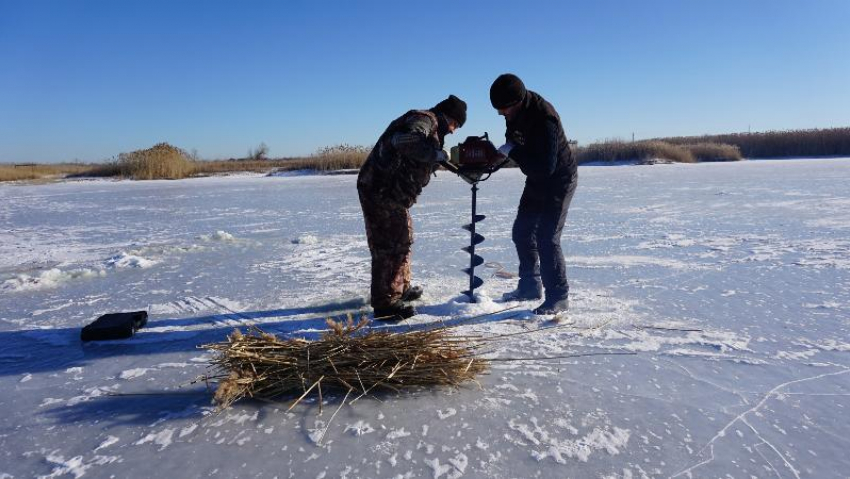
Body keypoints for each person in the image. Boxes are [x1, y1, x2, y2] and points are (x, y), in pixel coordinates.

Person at [357, 95, 467, 321]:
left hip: (393, 193)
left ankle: (400, 288)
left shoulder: (433, 129)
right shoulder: (425, 120)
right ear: (447, 116)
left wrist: (455, 167)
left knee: (404, 238)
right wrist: (436, 154)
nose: (453, 131)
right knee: (388, 244)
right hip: (379, 189)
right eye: (455, 124)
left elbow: (425, 154)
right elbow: (405, 141)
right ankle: (385, 304)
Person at [490, 74, 578, 315]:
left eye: (504, 109)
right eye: (499, 110)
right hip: (537, 179)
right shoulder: (514, 114)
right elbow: (514, 142)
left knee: (547, 237)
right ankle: (529, 286)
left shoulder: (544, 117)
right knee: (522, 231)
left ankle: (558, 297)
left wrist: (512, 152)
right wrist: (500, 155)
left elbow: (545, 166)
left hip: (559, 179)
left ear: (517, 101)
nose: (502, 114)